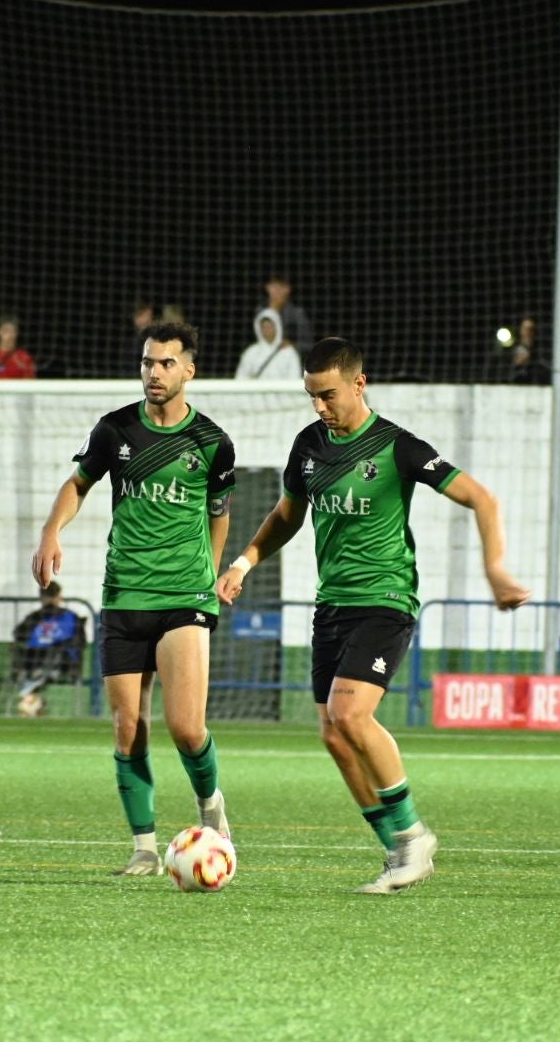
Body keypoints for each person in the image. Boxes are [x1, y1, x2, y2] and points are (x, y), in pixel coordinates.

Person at [216, 337, 530, 894]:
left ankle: (414, 838)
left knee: (351, 715)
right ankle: (395, 849)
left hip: (385, 601)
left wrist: (496, 570)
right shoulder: (308, 445)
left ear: (359, 384)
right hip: (331, 604)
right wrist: (243, 562)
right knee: (334, 737)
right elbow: (287, 517)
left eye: (329, 395)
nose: (320, 407)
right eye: (312, 396)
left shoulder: (397, 446)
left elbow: (483, 498)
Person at [31, 318, 236, 876]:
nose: (154, 372)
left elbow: (220, 514)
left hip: (184, 595)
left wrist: (211, 574)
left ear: (189, 370)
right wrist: (52, 531)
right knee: (128, 728)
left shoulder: (211, 443)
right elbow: (78, 484)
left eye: (167, 363)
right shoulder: (114, 431)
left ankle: (211, 807)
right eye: (148, 362)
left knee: (187, 728)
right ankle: (145, 847)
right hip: (124, 595)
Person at [11, 581, 89, 712]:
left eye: (52, 596)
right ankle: (34, 686)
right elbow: (19, 635)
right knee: (25, 651)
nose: (51, 600)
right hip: (36, 661)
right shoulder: (34, 618)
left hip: (64, 663)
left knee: (55, 651)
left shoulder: (70, 617)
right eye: (48, 596)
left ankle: (35, 681)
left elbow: (80, 643)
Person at [235, 307, 303, 381]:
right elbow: (241, 377)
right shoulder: (251, 352)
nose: (267, 330)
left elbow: (294, 378)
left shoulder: (289, 352)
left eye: (270, 326)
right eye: (264, 327)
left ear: (277, 327)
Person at [263, 273, 314, 350]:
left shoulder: (297, 314)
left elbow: (308, 344)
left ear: (288, 289)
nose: (276, 290)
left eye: (280, 286)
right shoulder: (260, 311)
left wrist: (292, 345)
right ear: (267, 288)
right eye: (273, 286)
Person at [507, 316, 551, 384]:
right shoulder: (510, 351)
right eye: (525, 329)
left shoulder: (541, 353)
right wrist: (518, 365)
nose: (528, 332)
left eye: (531, 329)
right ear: (520, 331)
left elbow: (546, 371)